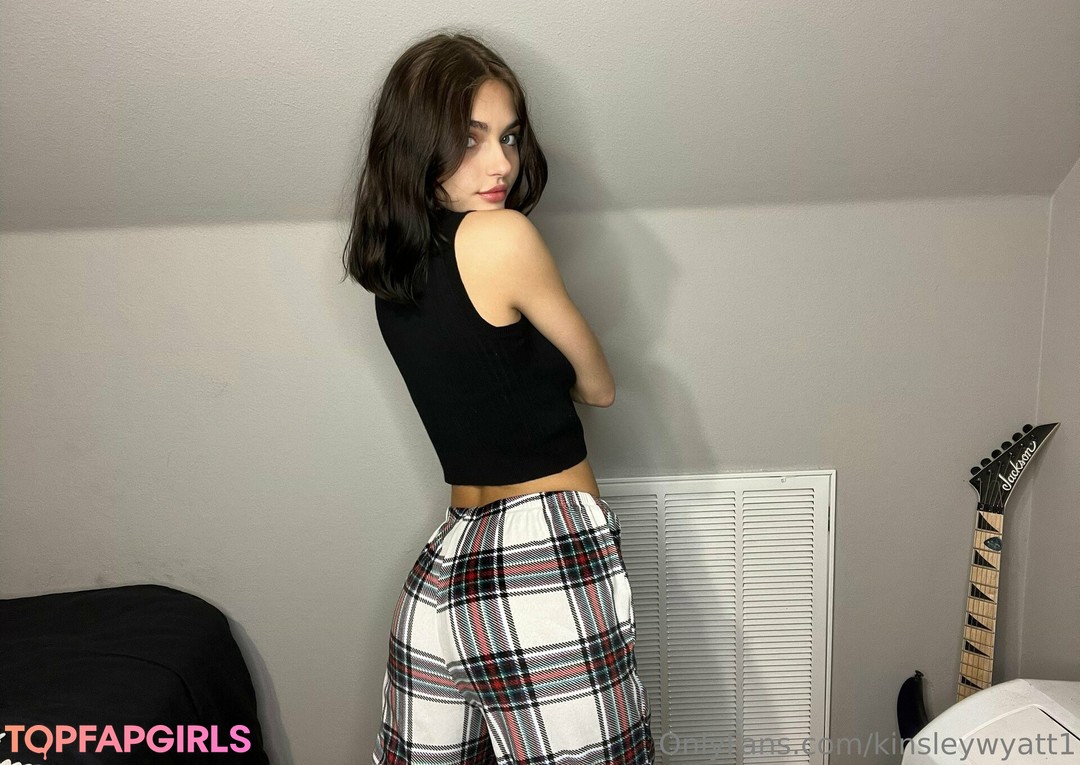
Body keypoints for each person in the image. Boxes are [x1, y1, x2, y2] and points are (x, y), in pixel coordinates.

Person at [342, 30, 655, 765]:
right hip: (542, 556)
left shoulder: (392, 278)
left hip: (446, 562)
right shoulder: (502, 236)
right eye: (470, 138)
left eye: (509, 136)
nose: (502, 164)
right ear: (417, 144)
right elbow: (600, 386)